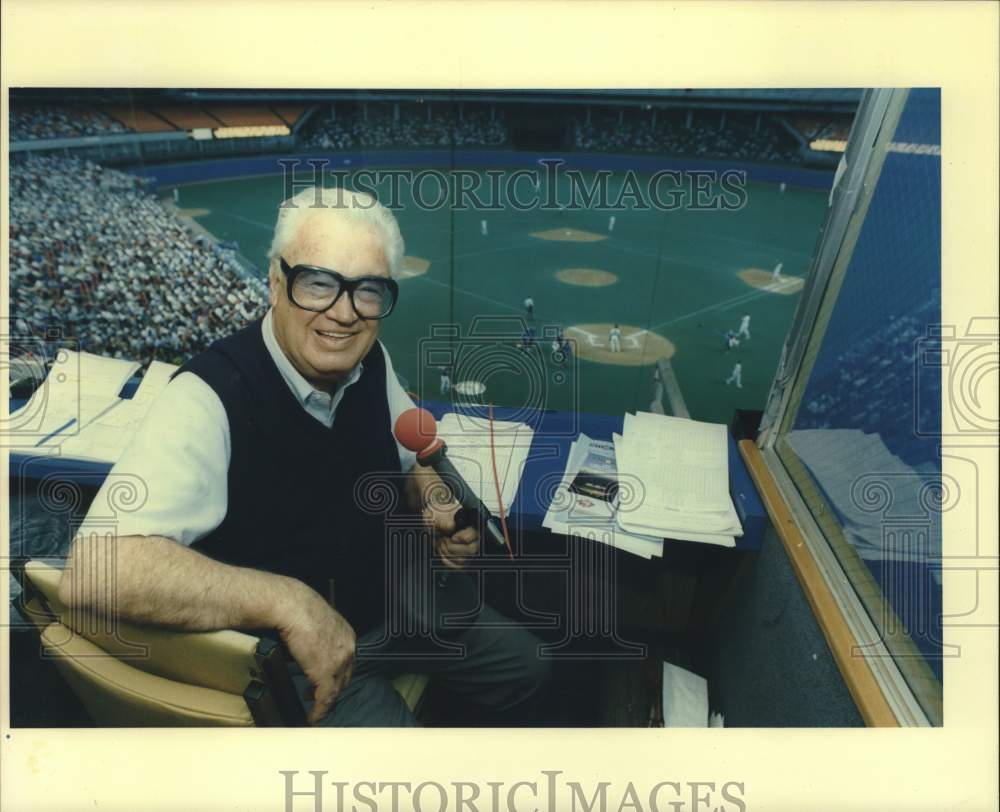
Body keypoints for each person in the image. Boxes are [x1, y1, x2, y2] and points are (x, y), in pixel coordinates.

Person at [60, 186, 549, 728]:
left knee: (530, 670)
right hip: (306, 657)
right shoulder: (208, 396)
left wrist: (432, 498)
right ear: (275, 283)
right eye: (318, 283)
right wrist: (285, 601)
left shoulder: (372, 359)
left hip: (398, 608)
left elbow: (413, 462)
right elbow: (98, 569)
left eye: (368, 291)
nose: (343, 314)